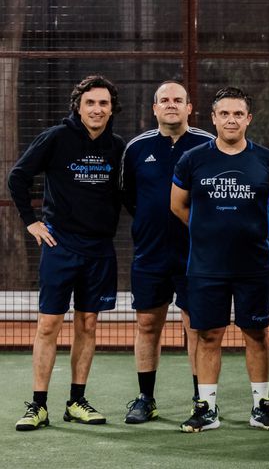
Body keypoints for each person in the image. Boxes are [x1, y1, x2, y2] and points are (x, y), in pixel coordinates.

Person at [9, 75, 126, 431]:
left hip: (99, 249)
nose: (97, 109)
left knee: (88, 324)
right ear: (78, 105)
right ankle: (38, 405)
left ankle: (76, 401)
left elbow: (129, 193)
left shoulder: (118, 147)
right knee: (49, 324)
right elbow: (18, 177)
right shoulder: (56, 138)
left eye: (103, 103)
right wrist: (31, 222)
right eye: (90, 102)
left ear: (111, 109)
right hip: (60, 246)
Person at [171, 86, 269, 433]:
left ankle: (261, 407)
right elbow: (177, 205)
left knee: (256, 333)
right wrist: (208, 228)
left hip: (254, 265)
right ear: (213, 118)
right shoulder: (193, 159)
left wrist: (248, 227)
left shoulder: (266, 160)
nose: (231, 120)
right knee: (208, 335)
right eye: (224, 114)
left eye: (238, 114)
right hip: (206, 266)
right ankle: (206, 408)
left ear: (249, 119)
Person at [120, 81, 214, 423]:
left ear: (190, 108)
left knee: (196, 326)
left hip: (196, 254)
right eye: (164, 100)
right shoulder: (135, 149)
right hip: (150, 253)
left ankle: (200, 400)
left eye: (178, 100)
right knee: (147, 323)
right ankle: (146, 398)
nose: (171, 105)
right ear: (154, 108)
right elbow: (129, 195)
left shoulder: (209, 144)